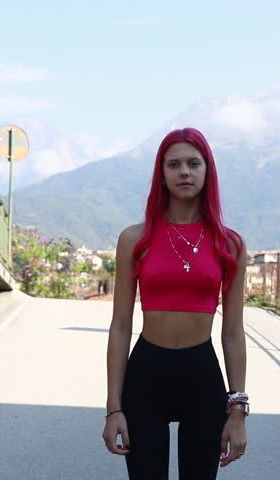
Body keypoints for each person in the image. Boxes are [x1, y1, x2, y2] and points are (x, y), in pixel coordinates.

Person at [102, 127, 248, 479]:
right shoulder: (135, 239)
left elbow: (233, 333)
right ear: (162, 174)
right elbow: (121, 325)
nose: (184, 171)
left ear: (206, 171)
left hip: (202, 376)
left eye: (193, 163)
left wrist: (238, 412)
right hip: (146, 375)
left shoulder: (229, 245)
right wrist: (113, 408)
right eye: (174, 164)